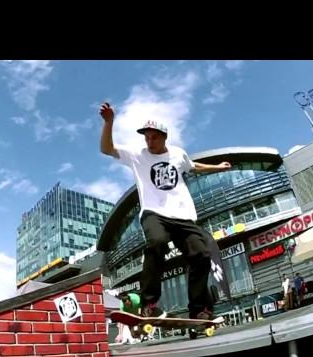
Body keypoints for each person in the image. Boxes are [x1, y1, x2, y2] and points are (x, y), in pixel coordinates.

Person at [99, 102, 231, 321]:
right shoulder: (136, 154)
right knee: (157, 242)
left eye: (154, 138)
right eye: (146, 138)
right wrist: (109, 122)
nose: (150, 142)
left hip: (183, 215)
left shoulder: (178, 154)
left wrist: (218, 167)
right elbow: (106, 149)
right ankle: (149, 302)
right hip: (154, 213)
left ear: (164, 137)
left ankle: (198, 309)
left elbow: (194, 166)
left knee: (201, 254)